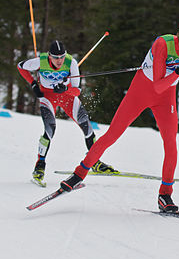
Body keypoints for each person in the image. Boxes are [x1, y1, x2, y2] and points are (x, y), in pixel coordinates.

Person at [60, 19, 179, 213]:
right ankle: (78, 174)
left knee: (171, 145)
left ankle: (165, 195)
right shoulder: (163, 44)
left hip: (165, 99)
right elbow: (157, 85)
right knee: (112, 135)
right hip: (141, 92)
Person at [17, 40, 118, 187]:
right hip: (48, 97)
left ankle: (94, 161)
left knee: (87, 127)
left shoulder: (71, 63)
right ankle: (40, 165)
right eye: (56, 57)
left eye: (62, 57)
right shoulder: (40, 61)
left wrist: (65, 90)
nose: (59, 61)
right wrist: (33, 84)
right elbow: (20, 67)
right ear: (49, 56)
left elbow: (77, 90)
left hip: (67, 97)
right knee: (50, 129)